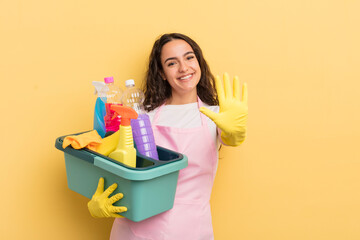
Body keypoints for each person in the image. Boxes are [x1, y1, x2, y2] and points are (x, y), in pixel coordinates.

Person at [87, 33, 248, 240]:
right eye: (172, 63)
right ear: (162, 73)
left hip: (190, 231)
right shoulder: (142, 115)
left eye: (189, 57)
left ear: (199, 62)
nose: (184, 68)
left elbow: (230, 138)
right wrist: (95, 198)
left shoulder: (217, 116)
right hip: (134, 231)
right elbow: (108, 157)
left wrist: (235, 134)